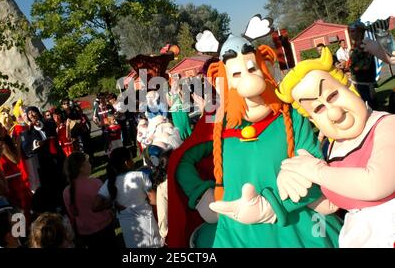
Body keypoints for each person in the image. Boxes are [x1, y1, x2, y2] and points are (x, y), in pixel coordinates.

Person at [167, 34, 342, 248]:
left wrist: (274, 204)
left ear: (264, 67)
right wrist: (201, 193)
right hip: (238, 233)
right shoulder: (218, 125)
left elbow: (315, 166)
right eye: (237, 74)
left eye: (252, 69)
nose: (249, 82)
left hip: (294, 224)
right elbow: (183, 160)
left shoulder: (290, 116)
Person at [276, 47, 395, 248]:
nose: (334, 113)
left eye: (332, 96)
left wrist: (316, 171)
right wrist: (295, 181)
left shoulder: (386, 125)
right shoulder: (332, 148)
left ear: (349, 86)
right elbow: (333, 204)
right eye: (319, 109)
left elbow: (374, 185)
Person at [97, 147, 163, 248]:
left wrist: (113, 204)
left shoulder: (109, 183)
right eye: (131, 159)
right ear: (126, 162)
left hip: (130, 232)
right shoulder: (140, 176)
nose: (133, 161)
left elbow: (95, 205)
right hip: (148, 228)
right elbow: (154, 200)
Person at [62, 152, 117, 248]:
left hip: (85, 232)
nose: (90, 165)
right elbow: (106, 204)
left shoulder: (66, 191)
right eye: (88, 162)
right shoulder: (96, 183)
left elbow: (72, 214)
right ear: (81, 168)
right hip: (104, 226)